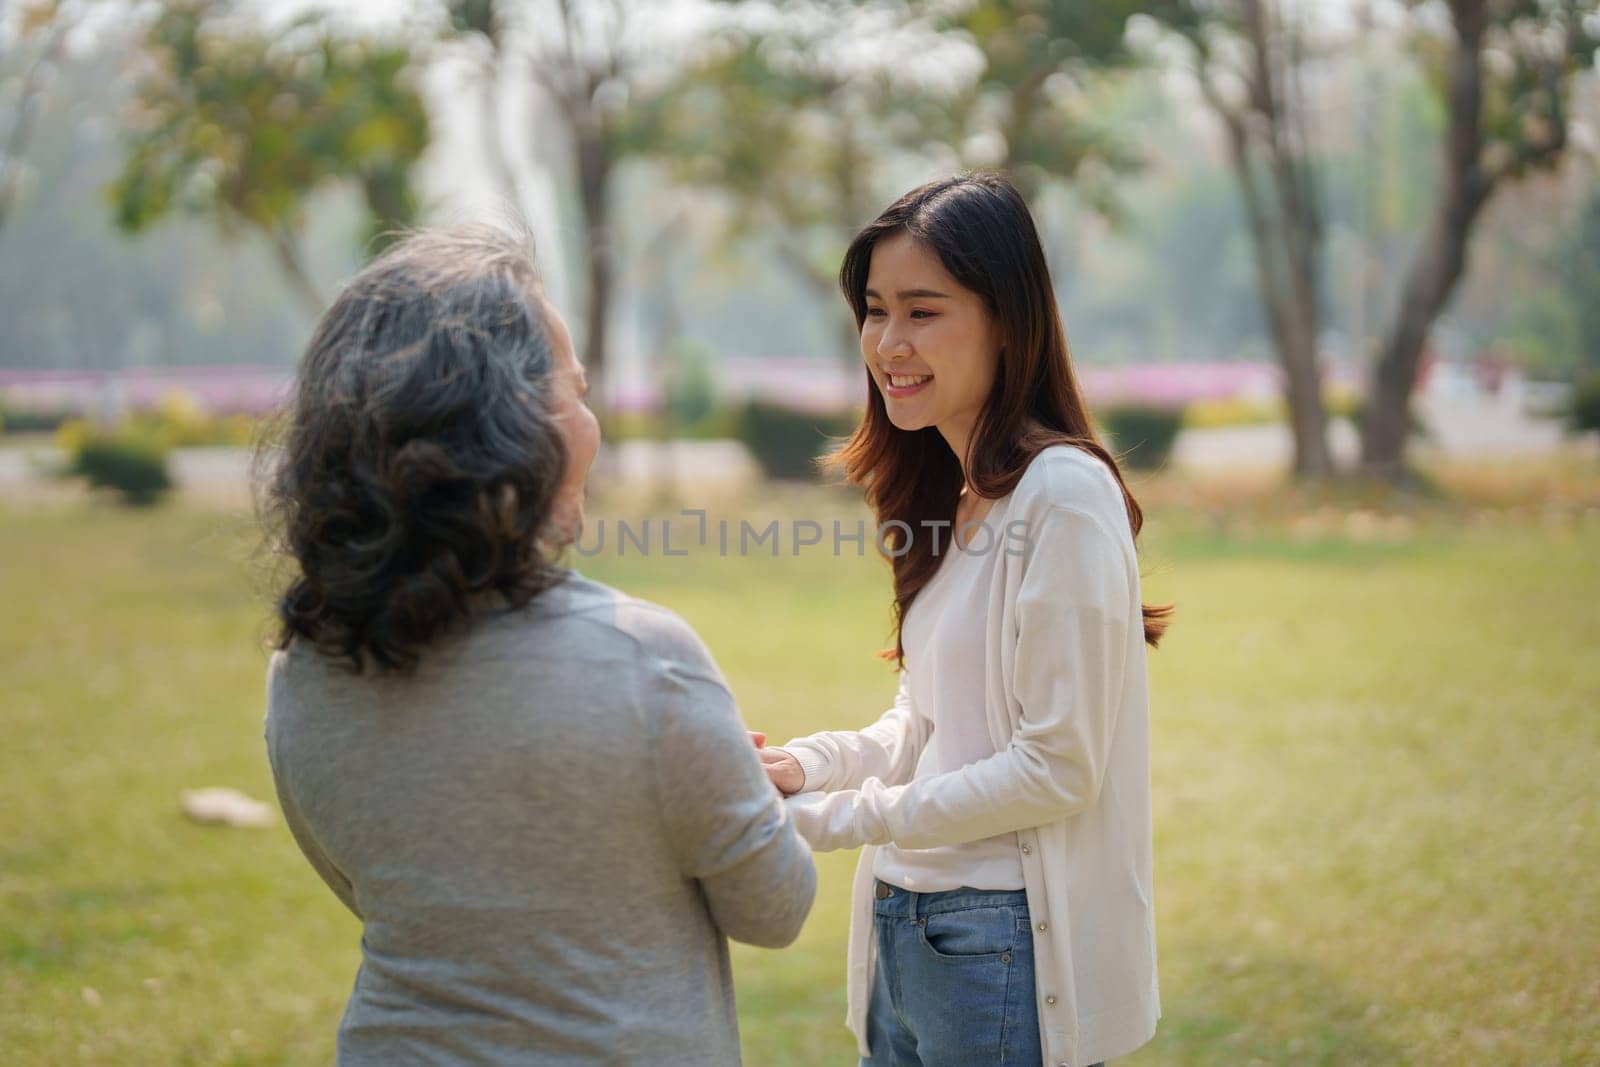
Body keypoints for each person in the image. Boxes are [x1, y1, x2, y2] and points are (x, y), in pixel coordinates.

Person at [259, 225, 815, 1065]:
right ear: (507, 424)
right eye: (575, 390)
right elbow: (775, 908)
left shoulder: (301, 672)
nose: (590, 421)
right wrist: (736, 785)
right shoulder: (644, 662)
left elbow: (373, 888)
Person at [755, 174, 1174, 1067]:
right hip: (909, 928)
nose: (888, 343)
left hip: (999, 942)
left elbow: (1055, 766)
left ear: (1006, 321)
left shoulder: (1060, 493)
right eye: (874, 310)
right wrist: (806, 767)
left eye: (923, 311)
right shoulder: (956, 494)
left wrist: (828, 820)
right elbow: (928, 723)